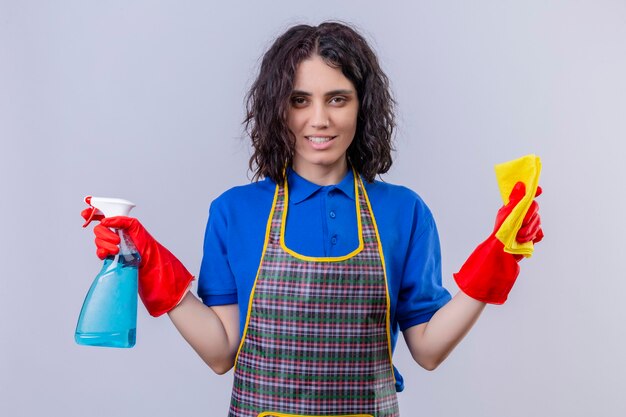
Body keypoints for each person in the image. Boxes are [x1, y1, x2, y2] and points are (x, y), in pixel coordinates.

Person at [83, 21, 543, 417]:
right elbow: (222, 352)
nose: (319, 119)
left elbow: (428, 349)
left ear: (363, 106)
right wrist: (149, 262)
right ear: (277, 107)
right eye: (300, 100)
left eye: (337, 99)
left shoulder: (404, 211)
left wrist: (498, 258)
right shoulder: (234, 212)